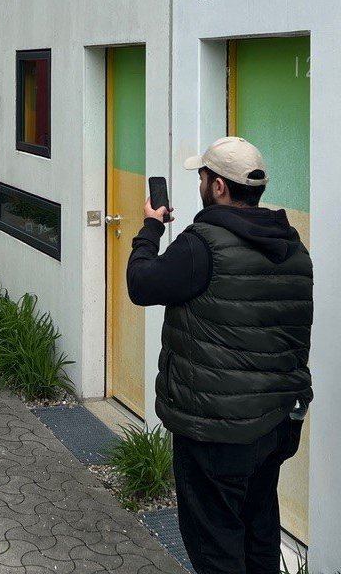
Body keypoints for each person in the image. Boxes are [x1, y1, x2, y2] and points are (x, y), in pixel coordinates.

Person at [127, 137, 313, 574]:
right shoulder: (293, 248)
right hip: (276, 423)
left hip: (215, 432)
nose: (200, 184)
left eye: (202, 177)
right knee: (259, 528)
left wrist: (150, 227)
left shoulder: (201, 245)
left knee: (216, 546)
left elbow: (141, 283)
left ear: (219, 188)